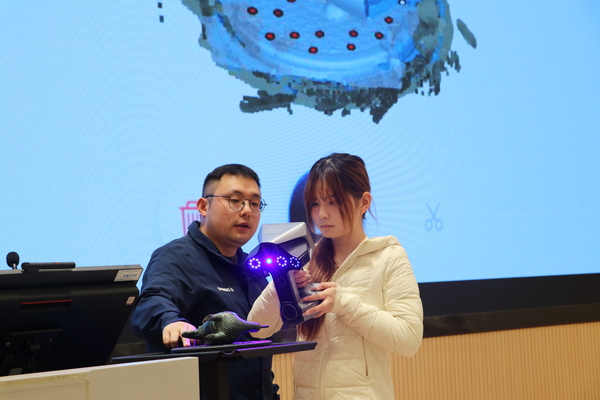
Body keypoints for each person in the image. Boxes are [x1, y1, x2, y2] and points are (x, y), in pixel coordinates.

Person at [248, 153, 423, 400]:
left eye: (333, 202)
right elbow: (257, 330)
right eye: (315, 203)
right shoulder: (305, 257)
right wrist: (280, 284)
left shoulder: (389, 256)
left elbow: (408, 339)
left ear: (364, 202)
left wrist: (344, 303)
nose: (322, 214)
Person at [131, 164, 278, 400]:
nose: (247, 211)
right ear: (203, 206)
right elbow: (153, 300)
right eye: (235, 200)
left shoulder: (253, 268)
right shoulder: (175, 256)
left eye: (254, 203)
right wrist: (171, 322)